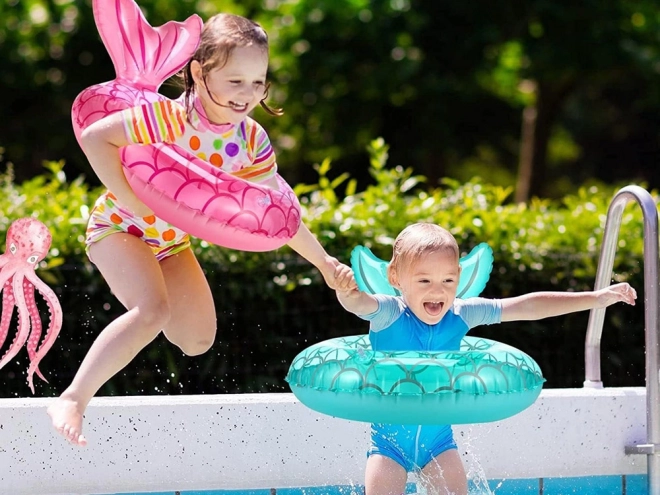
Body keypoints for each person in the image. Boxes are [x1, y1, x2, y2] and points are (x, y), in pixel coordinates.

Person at [48, 13, 354, 446]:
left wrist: (324, 263)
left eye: (257, 82)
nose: (247, 95)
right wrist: (131, 197)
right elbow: (96, 137)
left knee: (196, 340)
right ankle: (73, 399)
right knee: (152, 311)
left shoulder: (250, 141)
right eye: (235, 81)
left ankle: (125, 353)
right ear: (199, 71)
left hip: (171, 241)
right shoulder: (167, 118)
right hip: (120, 227)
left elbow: (279, 213)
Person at [333, 222, 637, 495]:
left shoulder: (461, 314)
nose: (437, 291)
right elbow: (358, 302)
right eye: (424, 281)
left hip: (438, 444)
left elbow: (526, 307)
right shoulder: (388, 314)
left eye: (448, 281)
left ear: (459, 277)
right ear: (395, 277)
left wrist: (596, 299)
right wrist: (345, 291)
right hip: (389, 448)